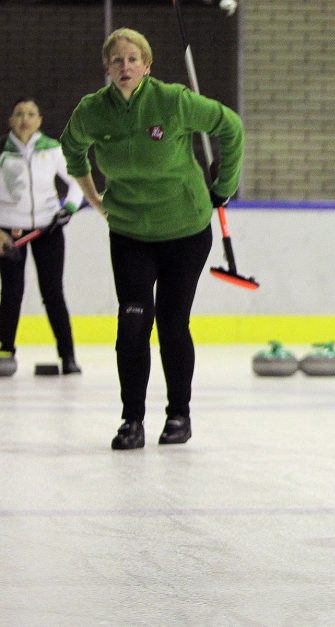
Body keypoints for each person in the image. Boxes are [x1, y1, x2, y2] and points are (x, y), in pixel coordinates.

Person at [60, 28, 244, 450]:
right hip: (130, 233)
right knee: (133, 321)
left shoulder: (173, 101)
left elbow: (230, 127)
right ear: (106, 68)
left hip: (186, 229)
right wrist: (95, 199)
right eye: (117, 61)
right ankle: (132, 420)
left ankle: (179, 414)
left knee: (173, 322)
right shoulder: (92, 112)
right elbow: (73, 153)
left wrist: (224, 186)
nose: (124, 67)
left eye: (132, 59)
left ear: (147, 65)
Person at [0, 97, 84, 376]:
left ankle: (68, 355)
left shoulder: (53, 149)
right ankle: (5, 351)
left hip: (48, 230)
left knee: (53, 293)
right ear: (11, 120)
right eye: (19, 113)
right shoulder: (2, 150)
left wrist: (68, 210)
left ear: (39, 120)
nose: (25, 118)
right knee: (11, 293)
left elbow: (78, 183)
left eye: (31, 114)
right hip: (11, 234)